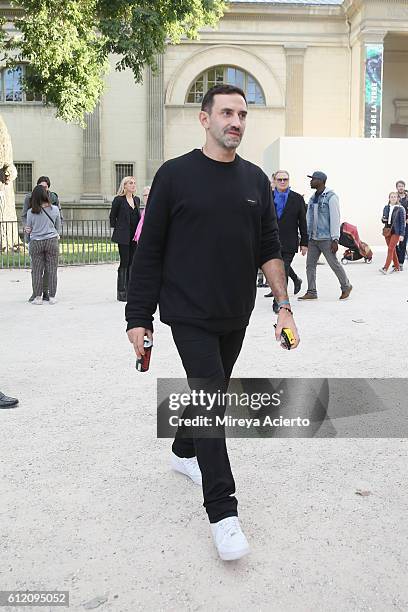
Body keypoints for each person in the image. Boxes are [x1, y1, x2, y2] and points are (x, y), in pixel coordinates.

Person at [125, 84, 300, 561]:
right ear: (205, 119)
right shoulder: (175, 176)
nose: (236, 122)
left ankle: (184, 453)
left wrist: (284, 305)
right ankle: (224, 514)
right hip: (187, 314)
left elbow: (269, 247)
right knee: (212, 398)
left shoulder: (255, 181)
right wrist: (138, 316)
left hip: (235, 313)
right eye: (226, 112)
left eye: (242, 114)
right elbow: (150, 250)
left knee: (212, 389)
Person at [298, 171, 352, 301]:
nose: (310, 181)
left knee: (334, 264)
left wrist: (335, 239)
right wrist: (304, 235)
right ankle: (312, 291)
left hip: (326, 238)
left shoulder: (331, 197)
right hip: (313, 238)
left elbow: (335, 218)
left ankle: (346, 286)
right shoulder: (312, 198)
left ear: (320, 181)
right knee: (310, 265)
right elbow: (308, 217)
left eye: (313, 179)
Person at [264, 170, 308, 310]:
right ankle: (296, 279)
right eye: (280, 179)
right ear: (275, 181)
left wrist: (304, 243)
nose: (282, 182)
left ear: (289, 181)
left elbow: (303, 222)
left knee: (282, 270)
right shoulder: (267, 197)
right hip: (271, 241)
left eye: (285, 179)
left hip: (289, 241)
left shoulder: (297, 199)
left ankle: (278, 303)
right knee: (276, 269)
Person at [21, 176, 62, 302]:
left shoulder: (30, 212)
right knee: (52, 269)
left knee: (37, 270)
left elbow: (29, 227)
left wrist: (28, 239)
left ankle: (38, 297)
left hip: (36, 242)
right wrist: (55, 235)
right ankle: (52, 296)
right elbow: (58, 226)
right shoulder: (54, 209)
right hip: (51, 240)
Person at [109, 176, 141, 301]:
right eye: (130, 183)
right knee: (125, 262)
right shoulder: (118, 200)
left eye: (134, 183)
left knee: (133, 263)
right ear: (125, 186)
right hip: (123, 237)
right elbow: (112, 217)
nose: (133, 185)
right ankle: (122, 292)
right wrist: (120, 228)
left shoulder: (137, 199)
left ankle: (131, 290)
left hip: (135, 237)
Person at [379, 191, 406, 274]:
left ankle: (385, 268)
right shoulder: (386, 207)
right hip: (388, 231)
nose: (393, 198)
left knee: (390, 249)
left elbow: (402, 223)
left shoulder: (400, 209)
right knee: (392, 250)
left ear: (397, 198)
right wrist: (383, 219)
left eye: (395, 197)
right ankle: (397, 267)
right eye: (391, 197)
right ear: (389, 198)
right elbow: (384, 220)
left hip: (396, 232)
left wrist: (402, 234)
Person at [395, 180, 408, 271]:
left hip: (406, 224)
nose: (401, 187)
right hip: (396, 224)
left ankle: (400, 263)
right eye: (399, 186)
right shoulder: (394, 197)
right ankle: (396, 261)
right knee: (394, 244)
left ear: (404, 187)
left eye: (402, 186)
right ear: (397, 188)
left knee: (403, 244)